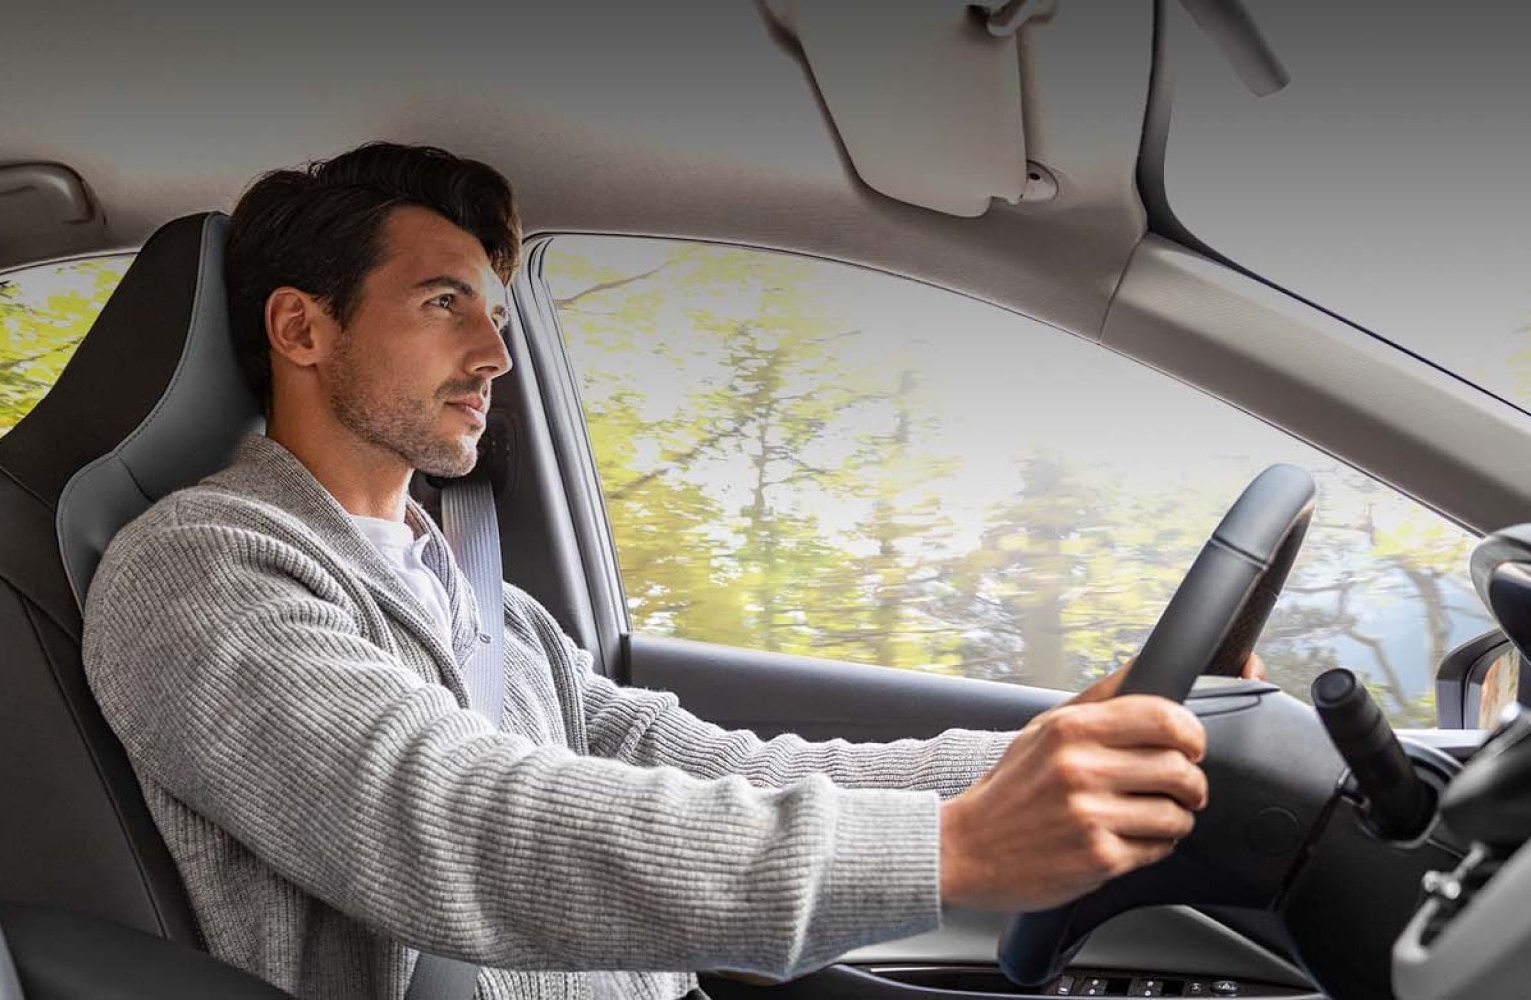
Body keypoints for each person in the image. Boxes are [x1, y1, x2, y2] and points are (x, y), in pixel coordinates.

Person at [82, 142, 1254, 1000]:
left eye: (493, 312)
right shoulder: (199, 574)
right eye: (443, 304)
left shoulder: (487, 604)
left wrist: (1034, 755)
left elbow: (703, 764)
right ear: (302, 330)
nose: (495, 353)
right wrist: (947, 851)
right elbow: (459, 825)